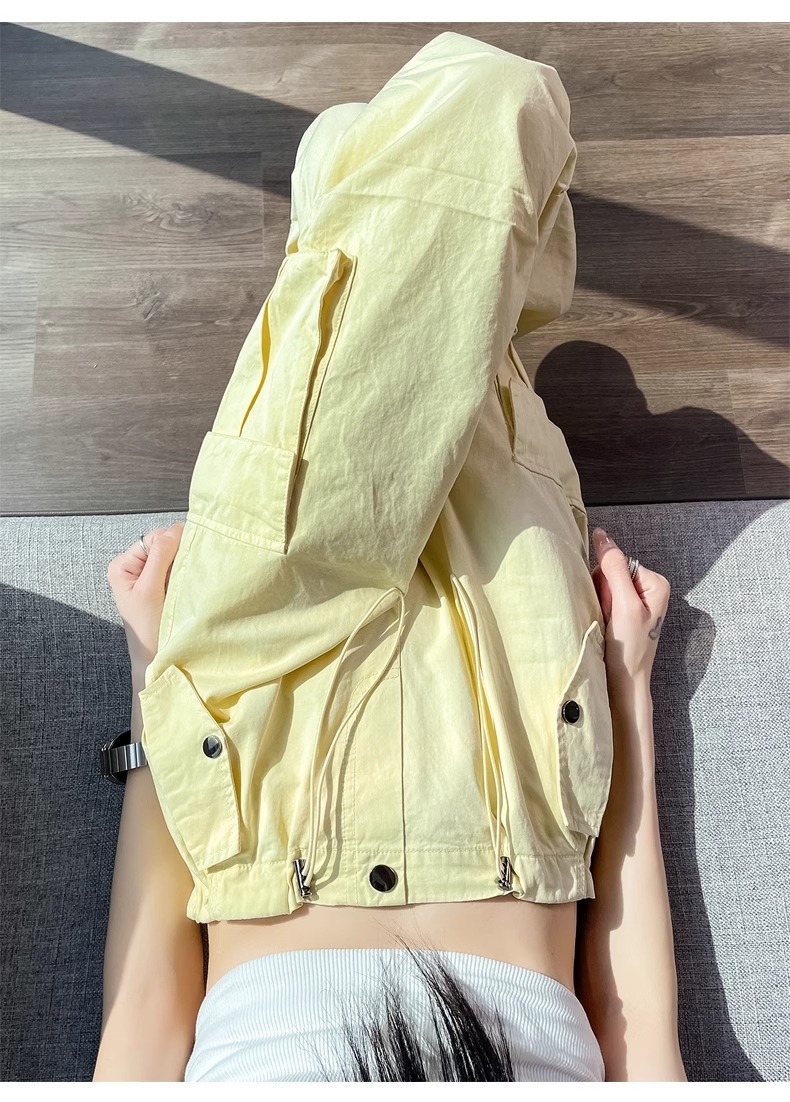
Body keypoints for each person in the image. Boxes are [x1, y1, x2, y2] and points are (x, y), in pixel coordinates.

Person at [94, 32, 686, 1082]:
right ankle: (365, 188)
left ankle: (361, 187)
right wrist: (627, 685)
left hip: (264, 739)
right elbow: (636, 1029)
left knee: (461, 121)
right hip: (514, 750)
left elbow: (145, 1009)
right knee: (463, 138)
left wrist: (157, 677)